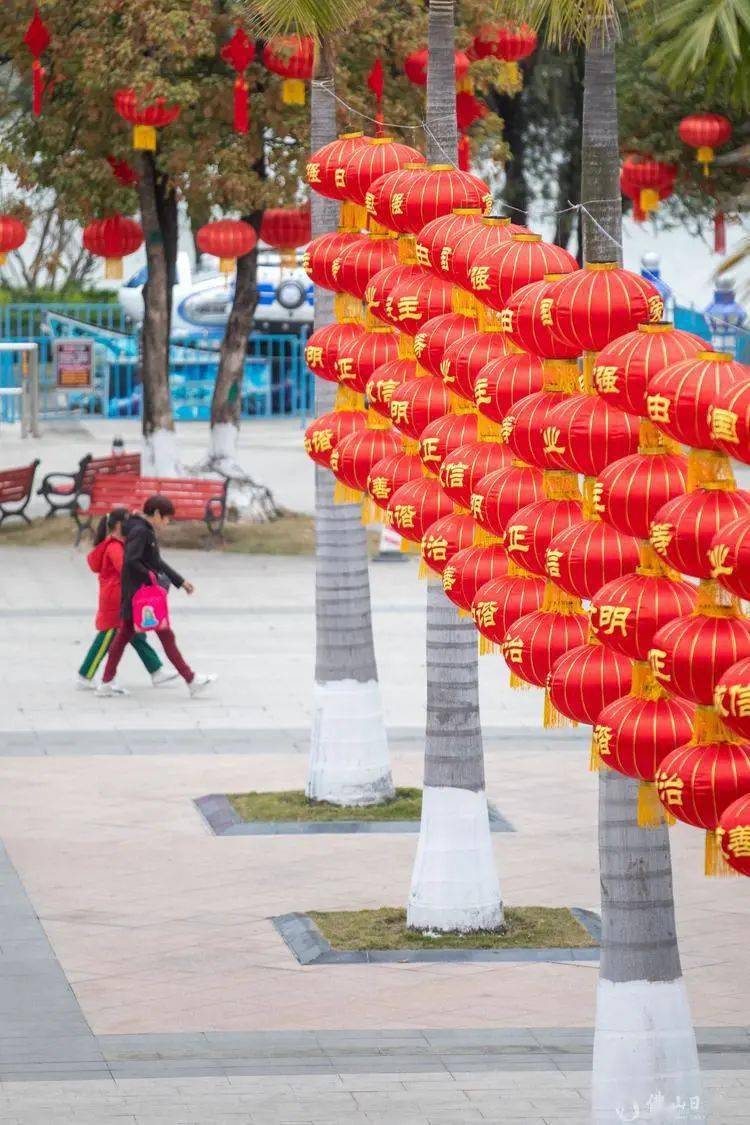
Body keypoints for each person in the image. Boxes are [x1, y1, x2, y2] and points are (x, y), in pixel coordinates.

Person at [98, 494, 217, 698]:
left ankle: (106, 682)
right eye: (167, 518)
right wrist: (151, 576)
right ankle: (191, 679)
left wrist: (179, 581)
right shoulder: (141, 532)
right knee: (165, 636)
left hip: (139, 596)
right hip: (142, 598)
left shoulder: (141, 529)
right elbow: (131, 561)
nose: (167, 522)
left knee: (124, 637)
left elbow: (156, 562)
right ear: (156, 513)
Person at [78, 507, 178, 690]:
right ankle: (86, 675)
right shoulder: (115, 547)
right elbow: (127, 568)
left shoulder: (120, 544)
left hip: (122, 596)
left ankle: (156, 671)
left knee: (137, 635)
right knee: (107, 637)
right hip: (115, 599)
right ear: (118, 525)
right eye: (128, 521)